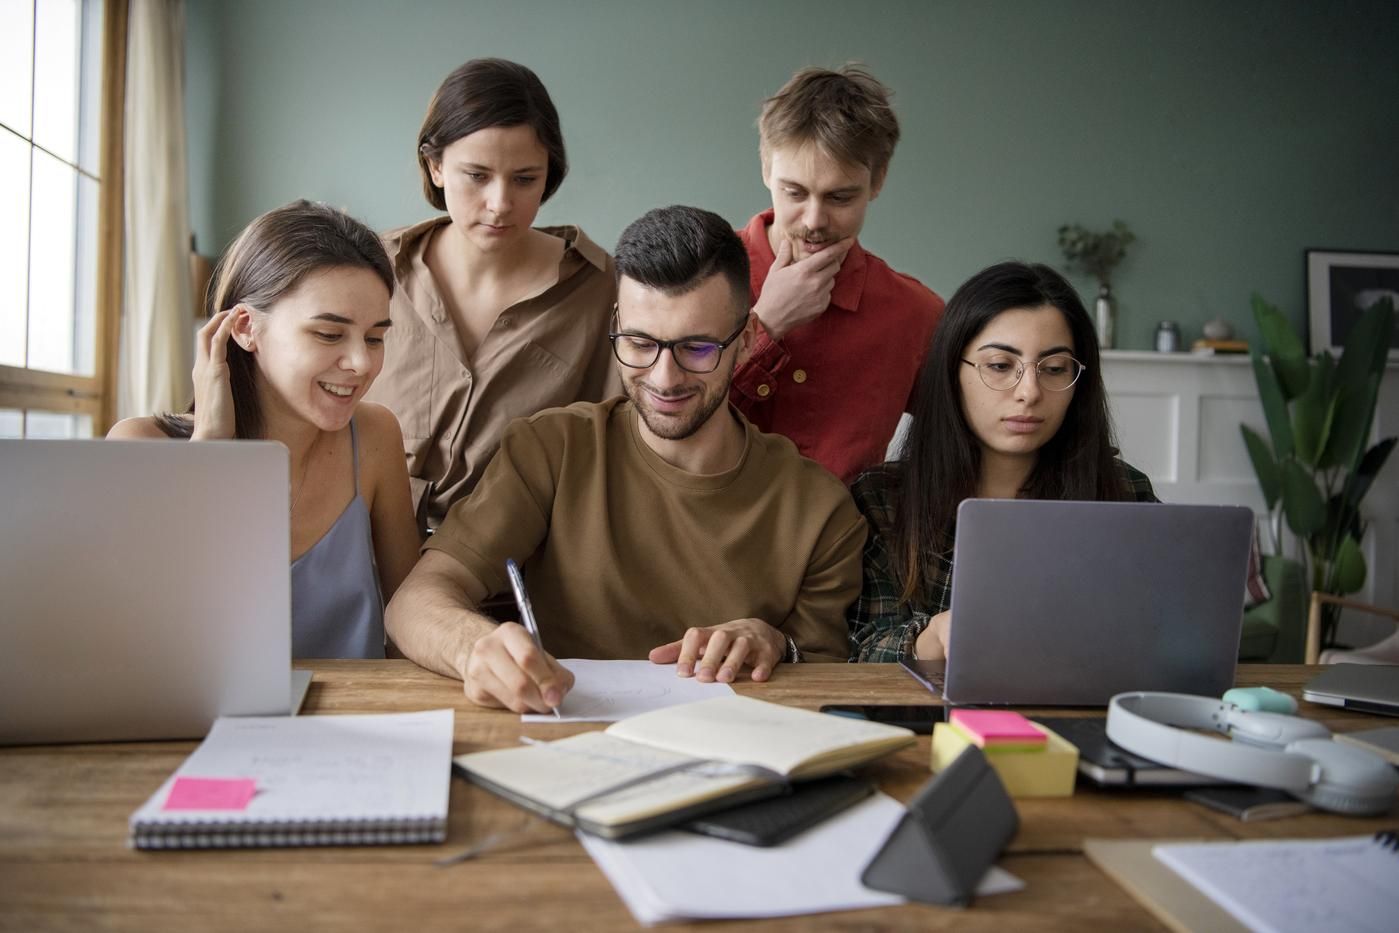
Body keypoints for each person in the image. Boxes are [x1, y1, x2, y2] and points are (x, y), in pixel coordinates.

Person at [385, 206, 866, 713]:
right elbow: (414, 603)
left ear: (745, 339)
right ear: (616, 325)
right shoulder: (551, 449)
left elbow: (825, 681)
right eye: (639, 342)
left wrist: (776, 644)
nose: (664, 378)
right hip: (561, 739)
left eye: (697, 348)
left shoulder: (821, 511)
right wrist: (473, 648)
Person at [109, 200, 421, 659]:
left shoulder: (375, 436)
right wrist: (211, 450)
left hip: (356, 719)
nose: (361, 363)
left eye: (375, 338)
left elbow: (412, 616)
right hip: (199, 726)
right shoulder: (141, 447)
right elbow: (139, 645)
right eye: (329, 335)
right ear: (245, 328)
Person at [848, 261, 1157, 662]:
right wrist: (934, 637)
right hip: (928, 723)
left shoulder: (1124, 493)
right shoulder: (881, 500)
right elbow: (856, 652)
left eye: (1054, 368)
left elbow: (1161, 638)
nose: (1029, 391)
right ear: (951, 371)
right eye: (999, 365)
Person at [364, 58, 620, 532]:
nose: (501, 203)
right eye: (477, 176)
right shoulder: (371, 269)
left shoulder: (601, 289)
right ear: (435, 166)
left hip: (509, 573)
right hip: (358, 552)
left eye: (525, 179)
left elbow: (620, 455)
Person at [731, 65, 944, 484]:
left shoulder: (916, 315)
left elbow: (961, 442)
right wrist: (766, 326)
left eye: (840, 197)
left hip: (848, 546)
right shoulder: (696, 280)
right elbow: (658, 434)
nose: (814, 220)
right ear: (766, 170)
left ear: (878, 180)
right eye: (794, 192)